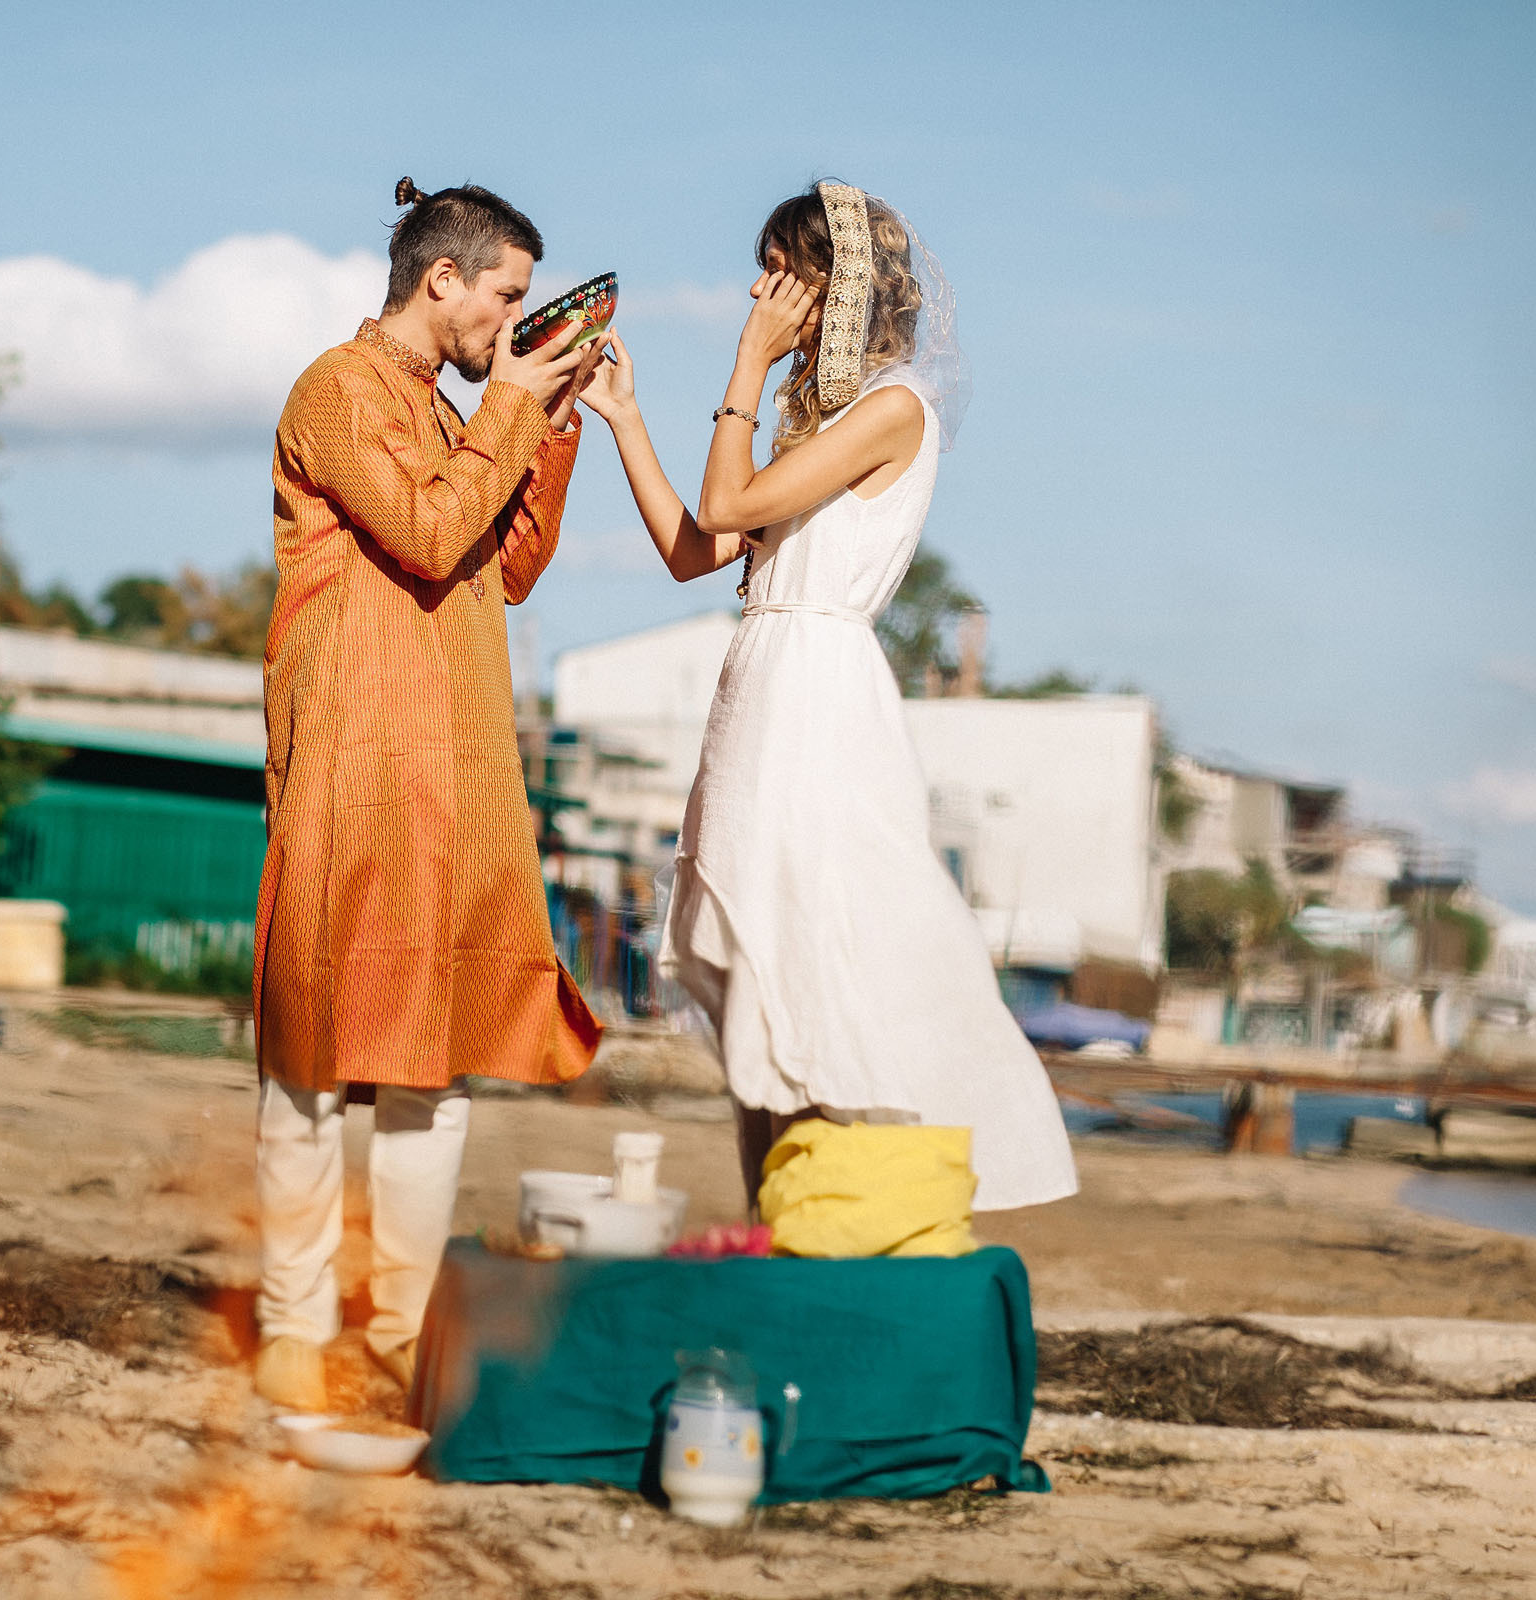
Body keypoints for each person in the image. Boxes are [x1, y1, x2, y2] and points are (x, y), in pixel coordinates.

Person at [577, 181, 1078, 1214]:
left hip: (816, 696)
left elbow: (726, 499)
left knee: (812, 947)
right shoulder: (821, 428)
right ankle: (773, 1221)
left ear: (836, 286)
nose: (759, 294)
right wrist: (624, 417)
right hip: (761, 690)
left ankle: (837, 1212)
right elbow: (696, 548)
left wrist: (747, 362)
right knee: (754, 971)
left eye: (779, 273)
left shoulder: (894, 409)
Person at [252, 178, 604, 1410]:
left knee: (432, 1060)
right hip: (352, 755)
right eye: (507, 295)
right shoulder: (337, 388)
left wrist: (549, 413)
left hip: (451, 767)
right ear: (441, 279)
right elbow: (427, 530)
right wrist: (508, 402)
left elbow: (508, 562)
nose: (511, 319)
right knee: (309, 1049)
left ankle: (399, 1329)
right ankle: (294, 1318)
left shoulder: (462, 410)